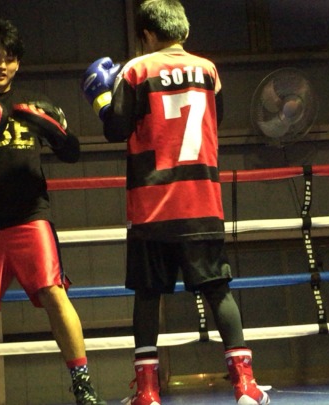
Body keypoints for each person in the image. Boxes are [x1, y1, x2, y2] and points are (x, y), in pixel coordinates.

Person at [80, 1, 270, 404]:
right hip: (201, 200)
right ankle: (245, 386)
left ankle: (148, 393)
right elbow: (216, 117)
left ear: (148, 35)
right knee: (218, 290)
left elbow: (116, 128)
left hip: (152, 204)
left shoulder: (136, 70)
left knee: (148, 295)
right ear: (183, 30)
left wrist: (101, 100)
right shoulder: (208, 70)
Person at [0, 19, 106, 405]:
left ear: (17, 63)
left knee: (54, 294)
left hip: (31, 217)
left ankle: (84, 387)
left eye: (9, 58)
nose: (2, 65)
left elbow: (72, 153)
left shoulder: (34, 104)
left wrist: (53, 129)